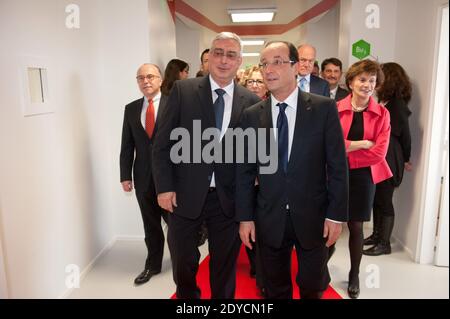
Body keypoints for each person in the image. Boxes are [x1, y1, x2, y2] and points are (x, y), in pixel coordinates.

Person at [236, 41, 348, 299]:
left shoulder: (323, 108)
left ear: (296, 66)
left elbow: (338, 166)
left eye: (278, 61)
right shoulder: (252, 115)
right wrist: (245, 217)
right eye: (264, 64)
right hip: (269, 216)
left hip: (314, 216)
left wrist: (335, 215)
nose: (269, 69)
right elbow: (244, 171)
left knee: (312, 285)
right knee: (275, 287)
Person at [152, 32, 260, 299]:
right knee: (183, 261)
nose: (224, 60)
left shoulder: (252, 101)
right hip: (183, 195)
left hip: (228, 200)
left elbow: (254, 157)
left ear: (240, 61)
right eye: (218, 53)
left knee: (224, 265)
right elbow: (161, 144)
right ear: (209, 57)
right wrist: (164, 187)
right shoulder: (183, 91)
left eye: (231, 54)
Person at [336, 59, 392, 298]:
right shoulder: (333, 108)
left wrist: (347, 150)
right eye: (362, 79)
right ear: (351, 82)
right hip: (335, 173)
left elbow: (379, 153)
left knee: (356, 226)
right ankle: (319, 266)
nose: (367, 85)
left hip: (363, 177)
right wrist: (360, 144)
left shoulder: (382, 114)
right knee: (330, 221)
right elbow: (329, 145)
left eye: (372, 80)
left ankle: (355, 273)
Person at [120, 63, 168, 285]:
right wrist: (125, 175)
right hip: (143, 177)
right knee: (150, 225)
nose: (145, 81)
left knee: (177, 225)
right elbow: (127, 145)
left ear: (160, 79)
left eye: (150, 76)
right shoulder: (131, 109)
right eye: (140, 78)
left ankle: (185, 263)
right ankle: (153, 265)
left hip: (170, 177)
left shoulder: (174, 104)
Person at [363, 62, 413, 256]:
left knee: (384, 201)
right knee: (377, 199)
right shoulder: (386, 103)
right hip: (381, 157)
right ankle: (377, 235)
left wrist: (406, 159)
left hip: (390, 159)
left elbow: (405, 136)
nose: (376, 81)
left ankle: (385, 243)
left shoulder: (397, 105)